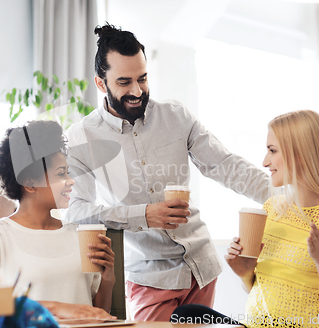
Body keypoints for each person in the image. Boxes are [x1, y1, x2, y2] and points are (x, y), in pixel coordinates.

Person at [63, 23, 270, 321]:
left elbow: (225, 166)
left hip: (201, 266)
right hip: (148, 277)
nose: (137, 91)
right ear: (100, 83)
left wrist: (284, 195)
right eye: (124, 82)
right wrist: (143, 215)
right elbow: (77, 210)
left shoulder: (175, 116)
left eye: (143, 79)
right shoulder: (81, 138)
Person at [173, 110, 319, 328]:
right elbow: (261, 291)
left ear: (301, 153)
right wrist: (246, 273)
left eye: (272, 151)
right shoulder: (273, 210)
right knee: (186, 314)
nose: (265, 162)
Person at [0, 120, 116, 320]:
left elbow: (99, 314)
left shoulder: (78, 235)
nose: (70, 181)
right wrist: (57, 308)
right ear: (29, 183)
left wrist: (108, 279)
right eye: (60, 174)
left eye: (68, 173)